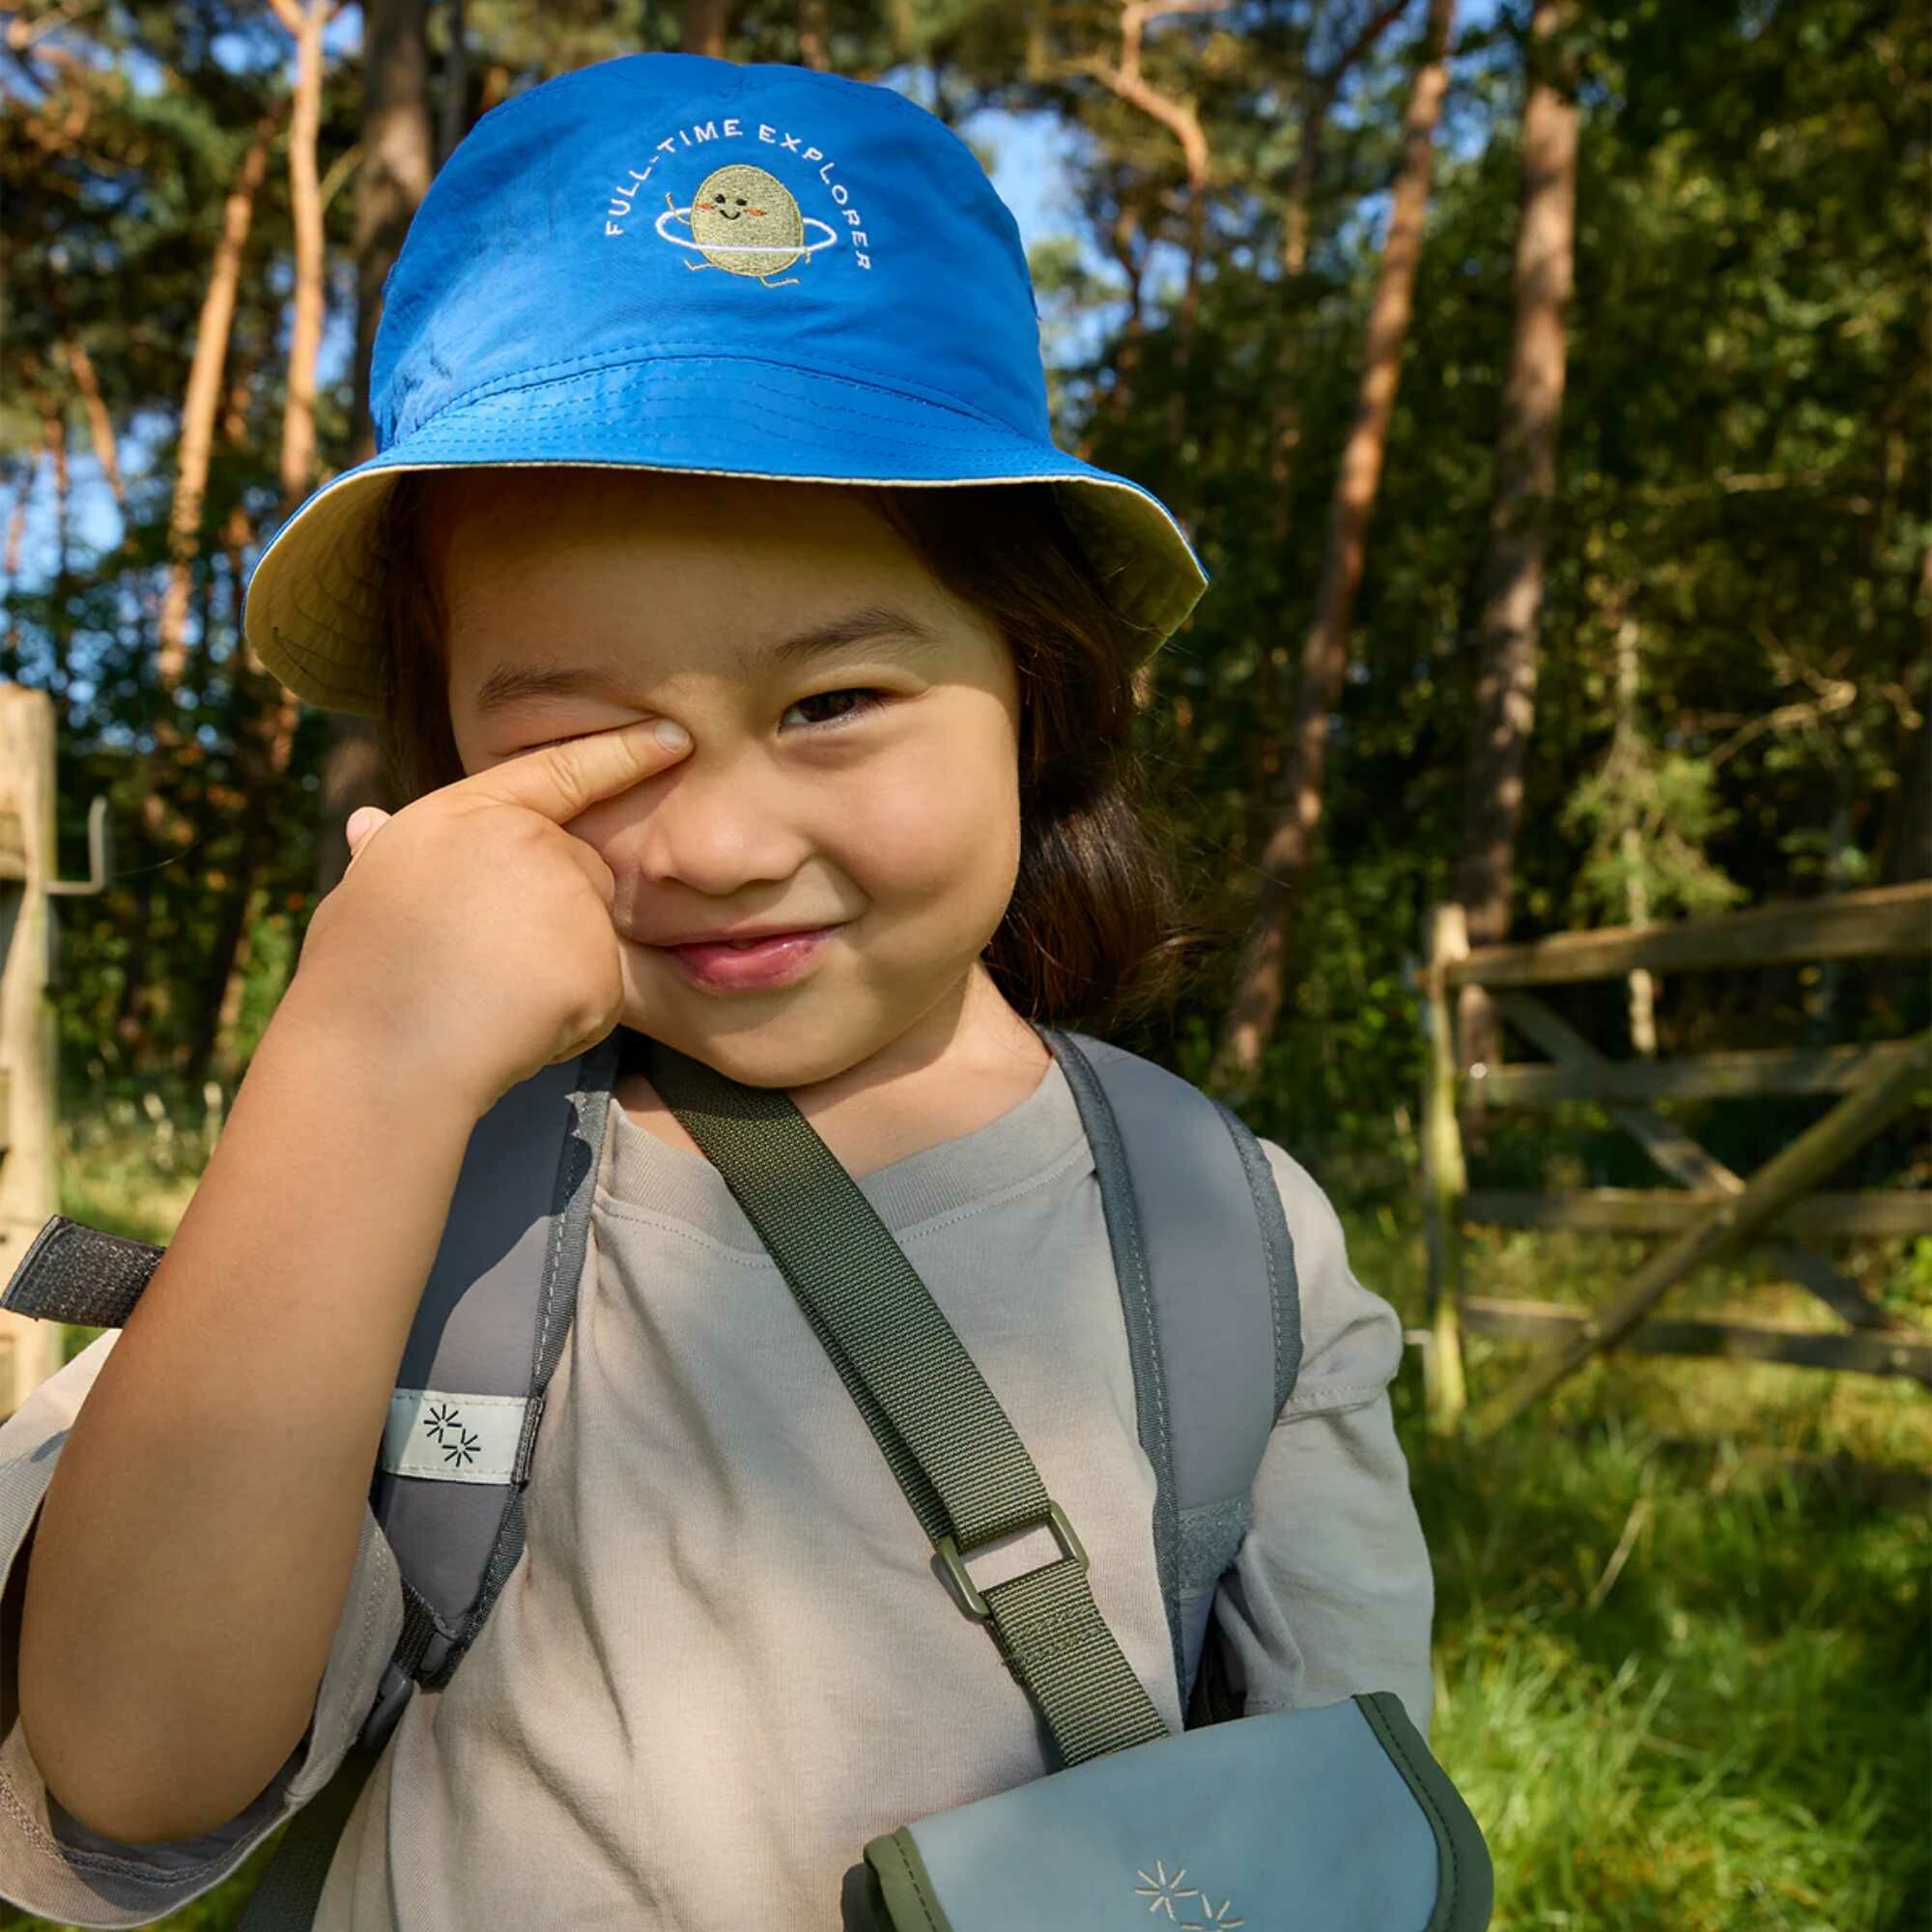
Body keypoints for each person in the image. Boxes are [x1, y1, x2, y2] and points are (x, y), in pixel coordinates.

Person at [0, 50, 1436, 1932]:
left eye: (830, 703)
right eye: (591, 738)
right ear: (444, 761)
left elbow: (1338, 1826)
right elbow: (131, 1761)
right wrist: (355, 1067)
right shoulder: (402, 1195)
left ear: (1039, 688)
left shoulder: (1235, 1238)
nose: (718, 840)